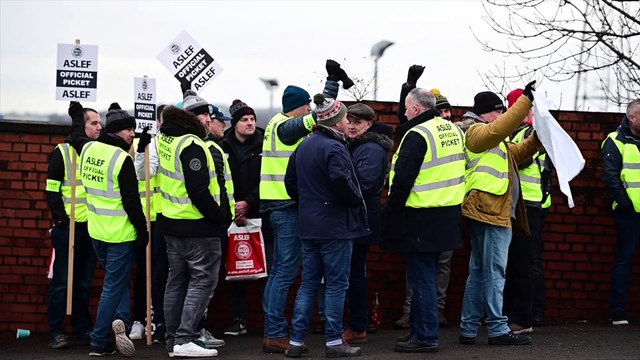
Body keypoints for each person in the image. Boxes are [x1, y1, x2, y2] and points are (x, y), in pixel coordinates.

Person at [283, 93, 369, 358]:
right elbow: (343, 182)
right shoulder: (334, 148)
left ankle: (296, 342)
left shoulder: (304, 145)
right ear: (336, 121)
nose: (347, 122)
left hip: (309, 225)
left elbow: (290, 184)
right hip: (334, 227)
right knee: (335, 285)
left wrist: (309, 204)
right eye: (344, 117)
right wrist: (355, 200)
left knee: (308, 283)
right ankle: (334, 341)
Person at [382, 87, 465, 353]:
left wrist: (391, 214)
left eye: (406, 108)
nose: (404, 114)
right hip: (448, 213)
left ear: (416, 109)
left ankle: (426, 336)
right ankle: (419, 331)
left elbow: (403, 179)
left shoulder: (417, 134)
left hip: (421, 215)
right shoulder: (451, 129)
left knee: (422, 278)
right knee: (427, 275)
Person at [459, 82, 540, 346]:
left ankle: (469, 329)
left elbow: (518, 152)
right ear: (486, 113)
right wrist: (526, 100)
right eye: (498, 111)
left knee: (480, 272)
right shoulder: (476, 132)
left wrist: (539, 136)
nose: (502, 115)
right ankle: (496, 328)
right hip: (489, 211)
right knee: (494, 271)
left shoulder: (494, 140)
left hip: (489, 210)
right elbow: (501, 127)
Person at [158, 92, 228, 357]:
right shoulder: (192, 145)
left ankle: (173, 340)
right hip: (196, 226)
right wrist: (219, 217)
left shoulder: (165, 138)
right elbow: (198, 190)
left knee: (175, 281)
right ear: (194, 118)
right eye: (206, 116)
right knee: (202, 281)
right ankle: (185, 339)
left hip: (172, 223)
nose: (210, 120)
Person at [80, 103, 148, 357]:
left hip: (96, 229)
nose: (133, 134)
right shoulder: (122, 159)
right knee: (112, 285)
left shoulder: (88, 148)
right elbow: (132, 201)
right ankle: (99, 340)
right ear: (118, 131)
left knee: (117, 282)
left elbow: (77, 137)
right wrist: (143, 231)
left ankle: (121, 321)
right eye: (129, 130)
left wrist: (77, 118)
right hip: (120, 233)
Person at [260, 84, 314, 354]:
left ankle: (273, 331)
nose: (310, 109)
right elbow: (300, 127)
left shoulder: (273, 124)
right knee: (285, 273)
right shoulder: (284, 126)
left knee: (279, 272)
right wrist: (324, 111)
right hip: (286, 206)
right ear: (298, 106)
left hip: (277, 205)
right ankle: (276, 333)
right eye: (307, 105)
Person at [45, 103, 101, 349]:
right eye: (94, 123)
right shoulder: (63, 152)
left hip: (90, 226)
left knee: (84, 283)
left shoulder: (97, 152)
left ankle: (81, 329)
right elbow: (52, 191)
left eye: (100, 123)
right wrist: (60, 219)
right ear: (81, 125)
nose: (99, 127)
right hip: (67, 227)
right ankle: (56, 331)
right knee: (61, 283)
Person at [342, 103, 393, 345]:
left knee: (354, 275)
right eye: (349, 121)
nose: (351, 126)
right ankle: (356, 325)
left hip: (360, 220)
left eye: (357, 123)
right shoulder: (358, 145)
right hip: (355, 219)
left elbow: (367, 185)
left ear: (369, 124)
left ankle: (358, 326)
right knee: (353, 273)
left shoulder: (371, 149)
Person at [503, 88, 552, 334]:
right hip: (527, 204)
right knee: (523, 263)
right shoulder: (528, 130)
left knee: (523, 264)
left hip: (528, 205)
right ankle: (525, 314)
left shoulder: (528, 132)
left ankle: (524, 318)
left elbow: (520, 160)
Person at [220, 99, 265, 336]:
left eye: (252, 119)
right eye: (245, 120)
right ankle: (238, 319)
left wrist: (248, 202)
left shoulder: (264, 143)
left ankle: (269, 321)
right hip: (231, 215)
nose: (250, 123)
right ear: (235, 124)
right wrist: (233, 207)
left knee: (264, 269)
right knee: (235, 270)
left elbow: (267, 178)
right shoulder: (222, 145)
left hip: (258, 213)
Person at [601, 99, 640, 326]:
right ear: (632, 118)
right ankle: (617, 311)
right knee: (624, 260)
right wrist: (625, 204)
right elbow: (611, 177)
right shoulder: (615, 141)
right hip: (629, 214)